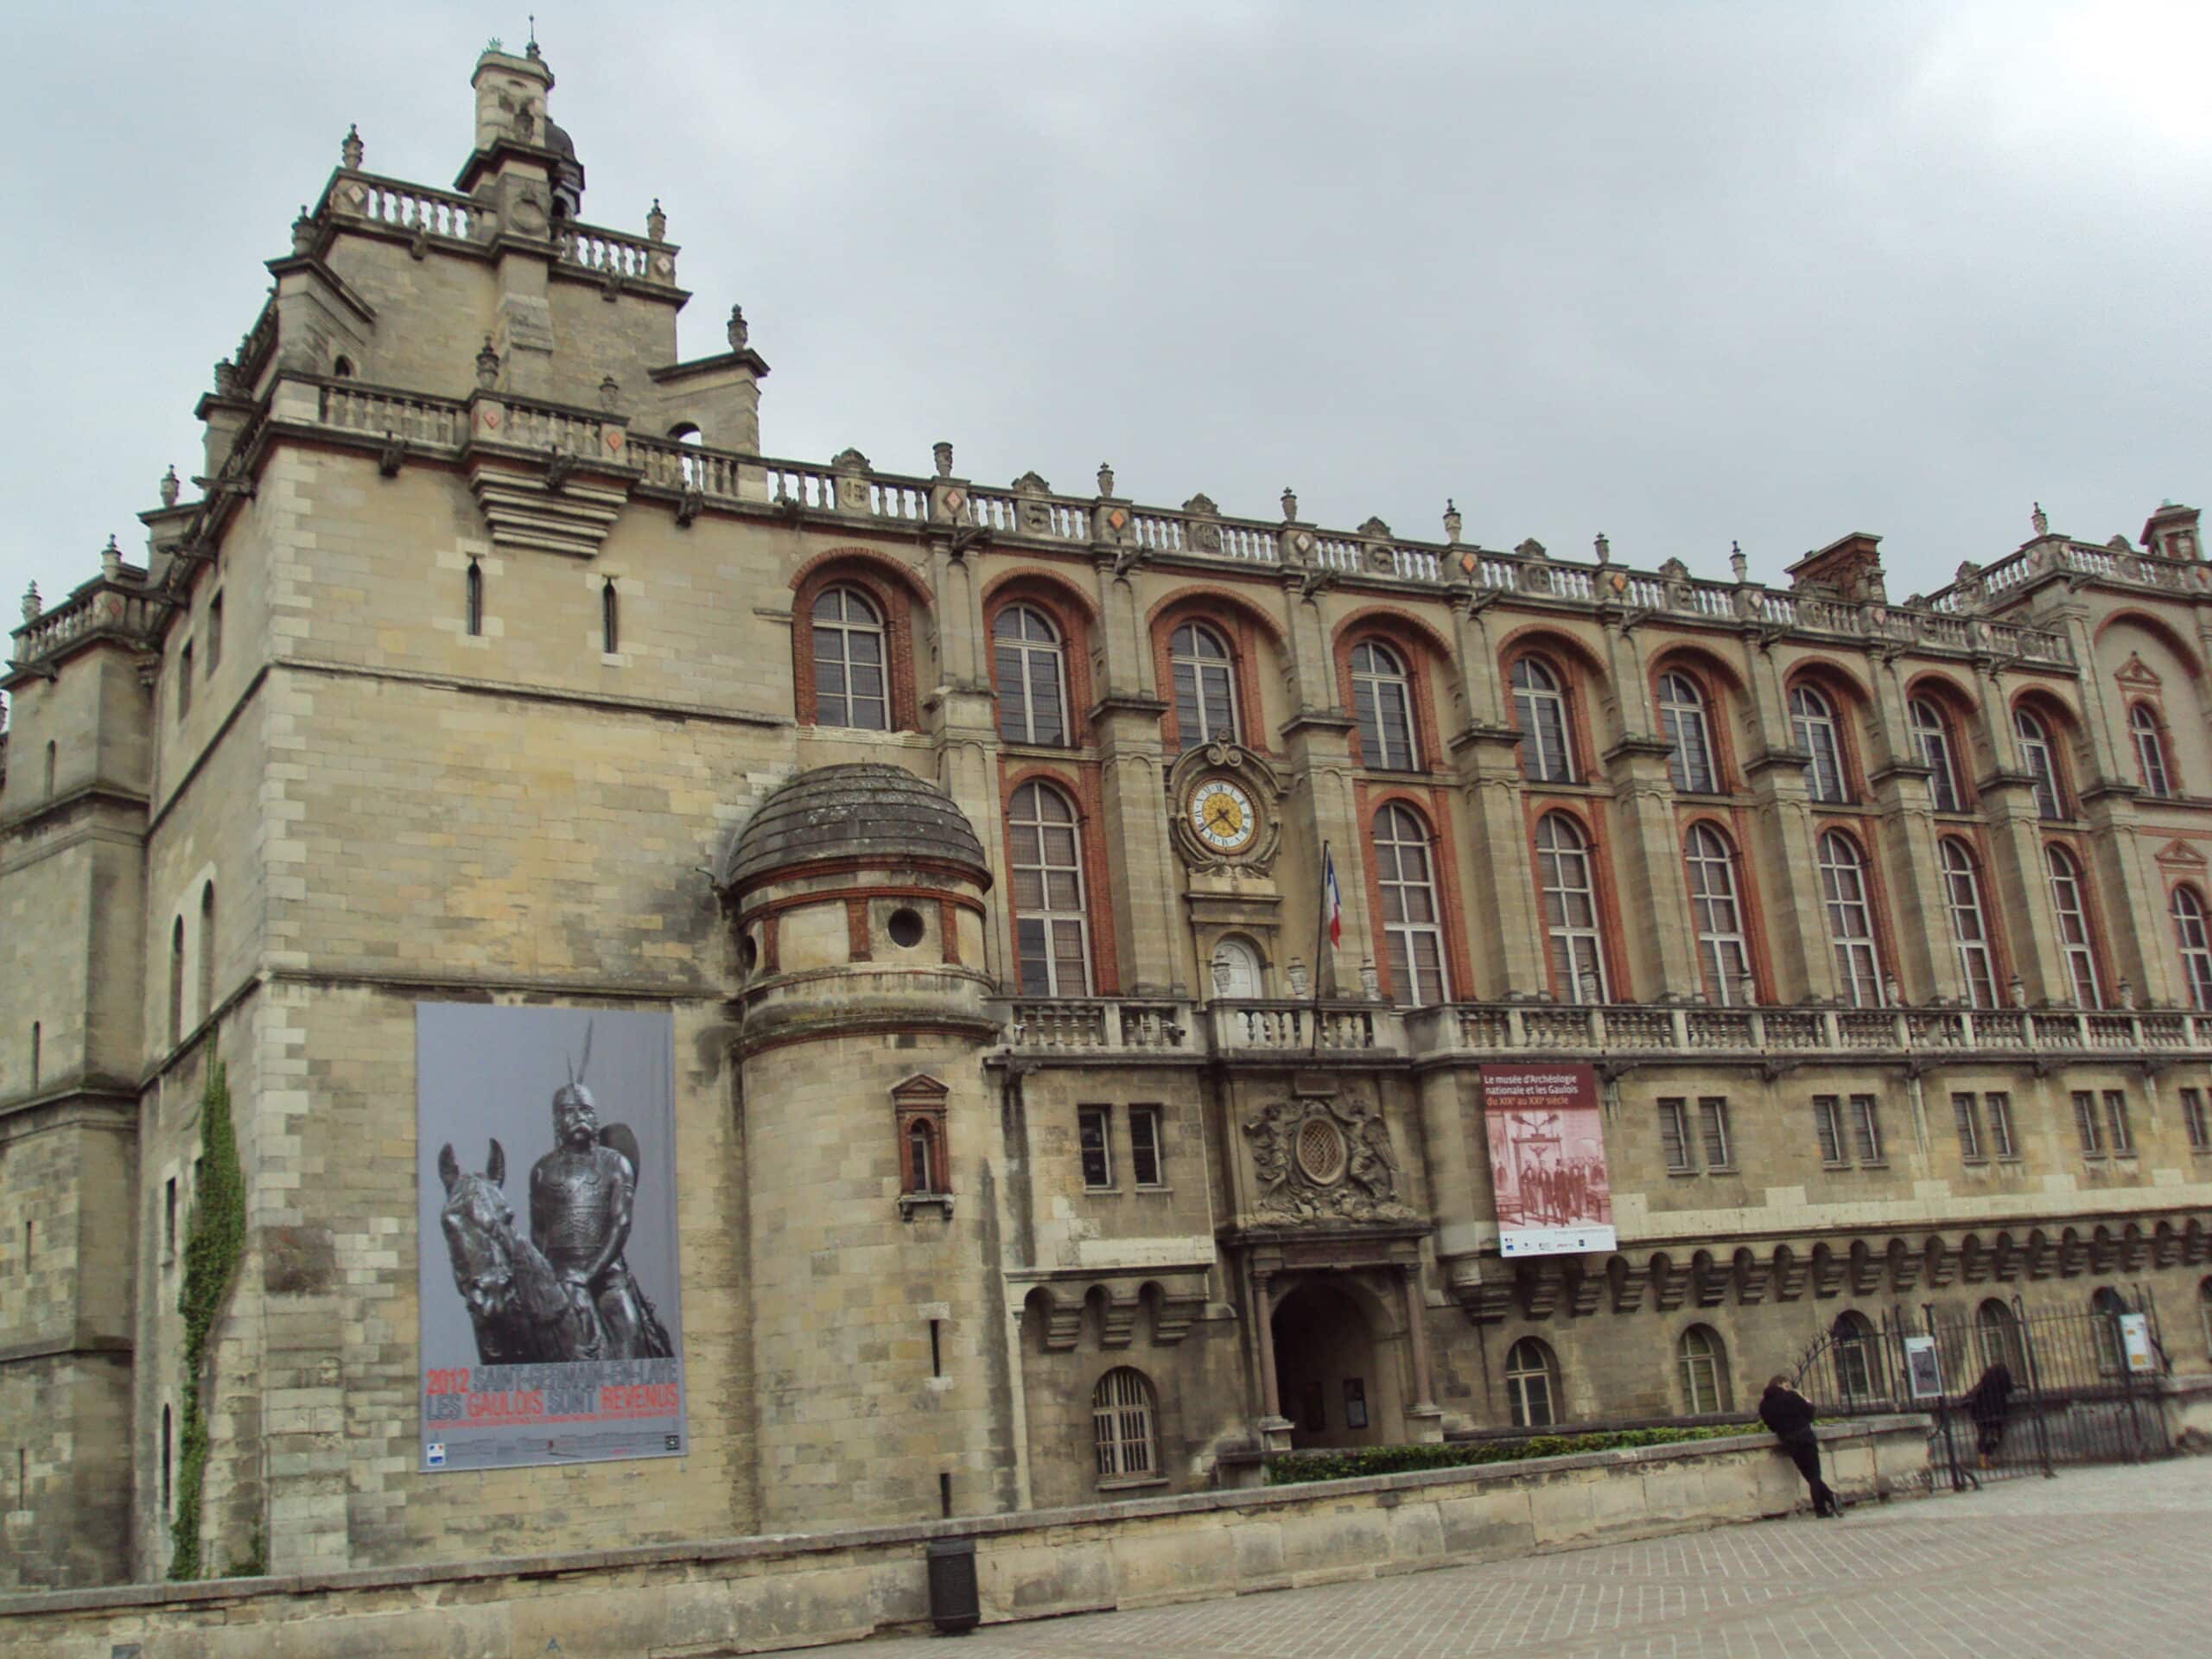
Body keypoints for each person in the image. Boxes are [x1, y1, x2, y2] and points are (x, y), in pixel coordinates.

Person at [529, 1077, 671, 1360]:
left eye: (586, 1110)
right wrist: (554, 1279)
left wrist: (588, 1273)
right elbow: (539, 1232)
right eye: (570, 1110)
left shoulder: (616, 1164)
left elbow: (621, 1224)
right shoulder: (542, 1170)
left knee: (628, 1336)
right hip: (560, 1277)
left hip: (606, 1275)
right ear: (557, 1119)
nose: (580, 1116)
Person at [1758, 1373, 1839, 1517]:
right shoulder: (1791, 1396)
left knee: (1809, 1475)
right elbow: (1810, 1413)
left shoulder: (1764, 1405)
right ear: (1781, 1384)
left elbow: (1770, 1425)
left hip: (1789, 1442)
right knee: (1814, 1474)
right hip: (1805, 1437)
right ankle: (1822, 1507)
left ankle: (1829, 1501)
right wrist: (1805, 1400)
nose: (1787, 1388)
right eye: (1786, 1385)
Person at [1962, 1361, 2015, 1468]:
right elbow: (2010, 1390)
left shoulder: (1984, 1383)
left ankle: (1983, 1458)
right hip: (1996, 1413)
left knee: (1983, 1434)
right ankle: (1987, 1455)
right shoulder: (2001, 1384)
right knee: (1997, 1435)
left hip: (1980, 1413)